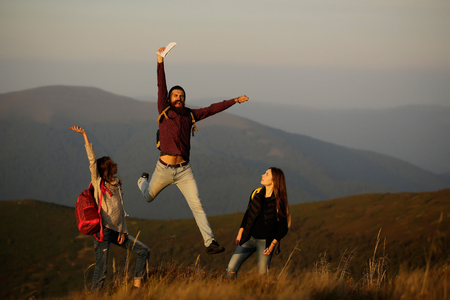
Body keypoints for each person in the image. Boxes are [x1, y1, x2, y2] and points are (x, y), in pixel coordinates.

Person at [137, 46, 249, 254]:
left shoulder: (190, 115)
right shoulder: (164, 111)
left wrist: (234, 101)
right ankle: (142, 181)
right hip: (163, 169)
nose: (178, 98)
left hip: (184, 171)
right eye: (175, 96)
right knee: (148, 197)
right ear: (169, 100)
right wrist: (160, 61)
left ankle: (210, 243)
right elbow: (161, 86)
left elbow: (212, 108)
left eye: (181, 96)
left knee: (197, 206)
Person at [71, 125, 150, 291]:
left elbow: (120, 211)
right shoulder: (99, 183)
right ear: (107, 168)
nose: (116, 165)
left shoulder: (116, 184)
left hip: (117, 231)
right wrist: (84, 135)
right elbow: (92, 161)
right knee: (101, 270)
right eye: (113, 164)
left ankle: (137, 288)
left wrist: (123, 231)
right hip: (103, 232)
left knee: (144, 251)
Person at [227, 167, 290, 277]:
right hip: (248, 238)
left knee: (262, 276)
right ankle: (230, 293)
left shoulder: (279, 201)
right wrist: (241, 231)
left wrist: (272, 245)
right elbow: (248, 213)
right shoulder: (256, 193)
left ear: (274, 180)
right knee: (231, 268)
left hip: (265, 243)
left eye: (266, 174)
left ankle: (261, 293)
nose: (262, 175)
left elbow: (283, 227)